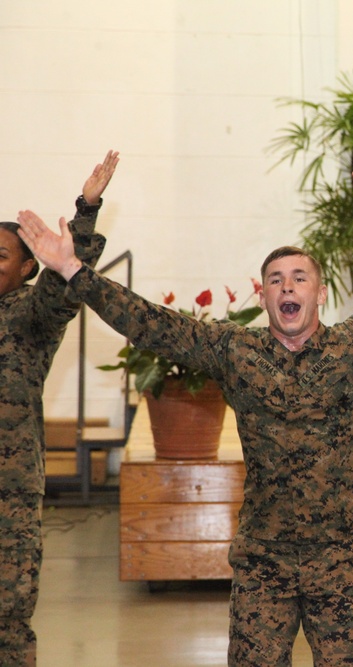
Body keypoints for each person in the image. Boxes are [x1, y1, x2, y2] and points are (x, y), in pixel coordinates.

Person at [16, 170, 353, 667]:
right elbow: (150, 323)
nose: (288, 287)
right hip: (264, 558)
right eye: (276, 280)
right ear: (263, 298)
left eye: (300, 278)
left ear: (319, 294)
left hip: (338, 556)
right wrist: (74, 272)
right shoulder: (235, 350)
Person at [0, 149, 118, 665]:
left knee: (7, 621)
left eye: (0, 255)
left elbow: (62, 290)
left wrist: (86, 209)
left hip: (8, 495)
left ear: (27, 267)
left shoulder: (28, 315)